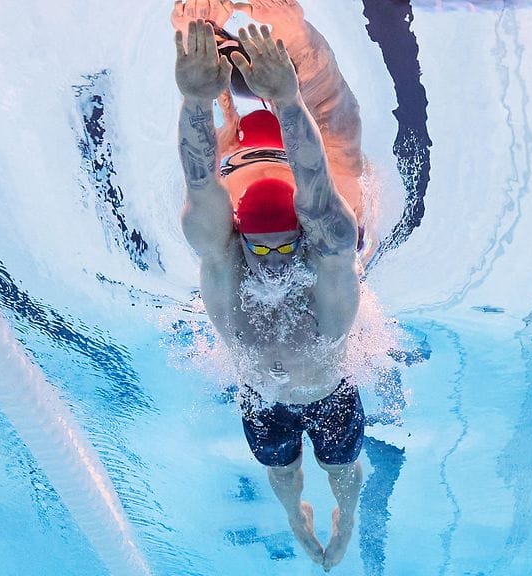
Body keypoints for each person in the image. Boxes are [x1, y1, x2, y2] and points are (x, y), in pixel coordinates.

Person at [172, 1, 367, 571]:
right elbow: (199, 182)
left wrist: (286, 100)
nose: (277, 257)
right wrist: (193, 102)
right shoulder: (224, 259)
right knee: (282, 473)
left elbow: (316, 190)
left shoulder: (328, 260)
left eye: (288, 242)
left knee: (341, 470)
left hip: (330, 397)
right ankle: (292, 519)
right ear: (239, 236)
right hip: (262, 401)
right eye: (264, 246)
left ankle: (347, 520)